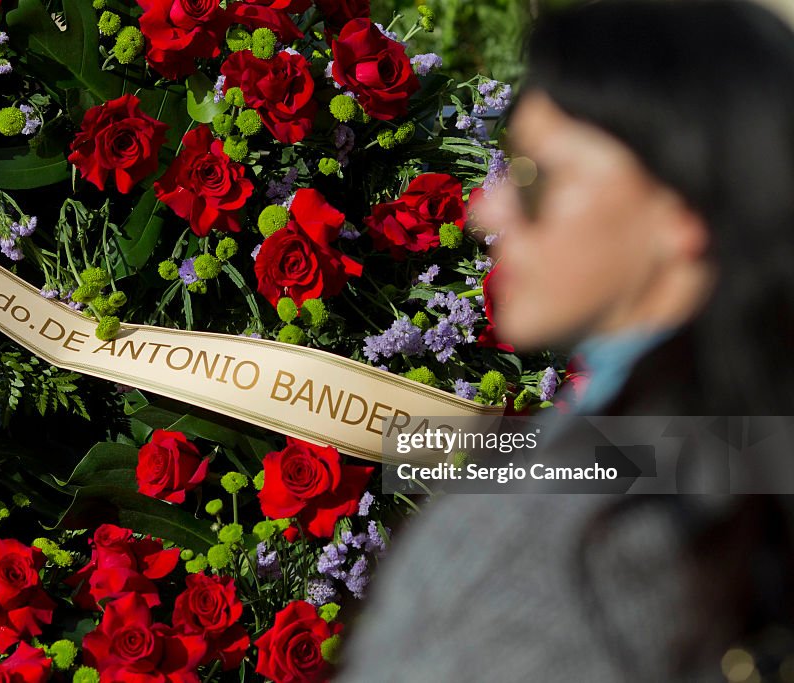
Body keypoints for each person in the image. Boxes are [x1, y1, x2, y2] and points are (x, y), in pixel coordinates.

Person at [335, 1, 794, 680]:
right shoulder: (747, 456)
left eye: (535, 176)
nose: (485, 209)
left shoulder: (556, 534)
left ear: (682, 211)